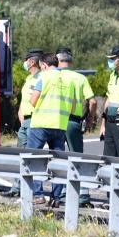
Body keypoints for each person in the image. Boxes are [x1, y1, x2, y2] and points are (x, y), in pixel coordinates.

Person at [28, 53, 72, 204]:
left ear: (44, 65)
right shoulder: (68, 80)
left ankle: (38, 195)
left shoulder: (43, 77)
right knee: (58, 162)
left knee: (33, 159)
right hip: (59, 125)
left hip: (40, 124)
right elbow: (72, 105)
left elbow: (33, 101)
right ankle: (57, 197)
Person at [56, 47, 97, 153]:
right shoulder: (81, 78)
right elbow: (93, 102)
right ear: (71, 61)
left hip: (55, 122)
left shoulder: (52, 76)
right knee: (76, 157)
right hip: (72, 122)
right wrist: (90, 118)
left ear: (57, 60)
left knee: (54, 157)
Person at [18, 49, 44, 147]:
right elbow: (25, 98)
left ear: (32, 62)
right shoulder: (29, 78)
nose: (25, 63)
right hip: (25, 121)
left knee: (31, 154)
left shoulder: (42, 78)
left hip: (34, 121)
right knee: (21, 152)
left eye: (26, 60)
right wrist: (21, 113)